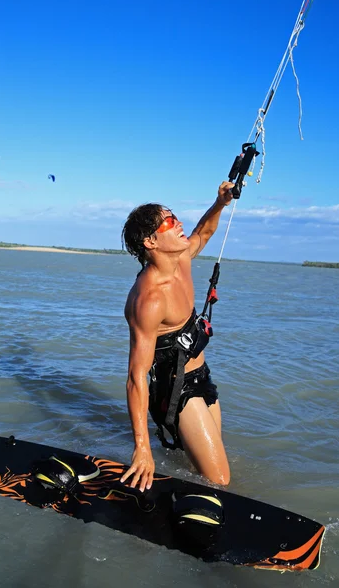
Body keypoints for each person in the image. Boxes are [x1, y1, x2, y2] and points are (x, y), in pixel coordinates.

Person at [120, 181, 234, 493]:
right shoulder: (149, 299)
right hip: (174, 390)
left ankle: (182, 484)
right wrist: (140, 446)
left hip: (200, 375)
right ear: (151, 241)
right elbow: (135, 377)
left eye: (175, 217)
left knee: (205, 463)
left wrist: (220, 202)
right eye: (169, 222)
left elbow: (205, 231)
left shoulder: (181, 257)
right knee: (220, 479)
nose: (179, 223)